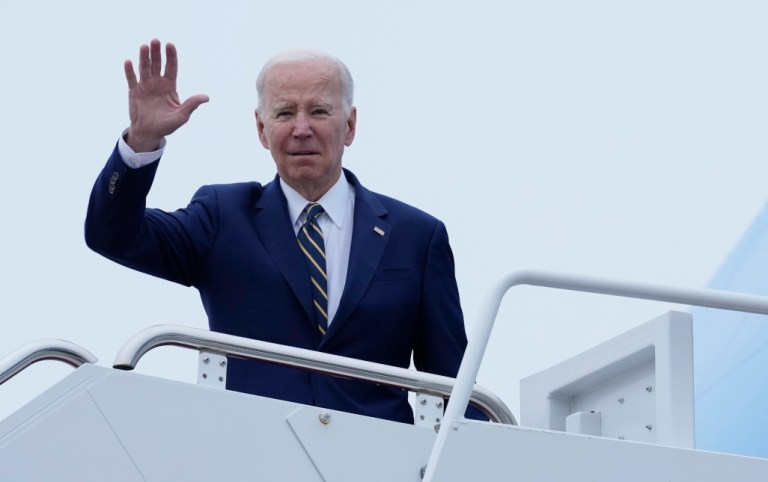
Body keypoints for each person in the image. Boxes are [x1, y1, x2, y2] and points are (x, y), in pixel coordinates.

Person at [85, 39, 481, 424]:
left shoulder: (416, 237)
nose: (302, 128)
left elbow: (456, 391)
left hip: (377, 462)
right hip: (257, 457)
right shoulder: (224, 217)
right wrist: (143, 141)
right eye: (285, 113)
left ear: (350, 125)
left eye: (320, 111)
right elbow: (113, 235)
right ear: (261, 128)